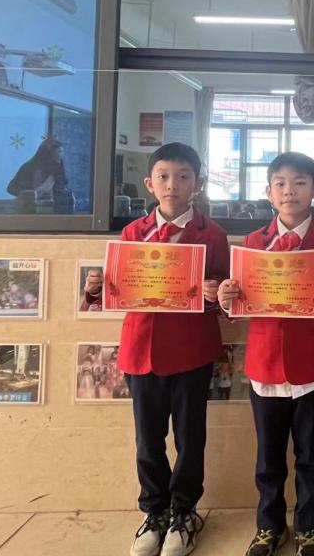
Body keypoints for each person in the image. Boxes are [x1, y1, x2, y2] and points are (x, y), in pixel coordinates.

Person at [84, 143, 228, 556]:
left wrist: (216, 293)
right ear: (149, 183)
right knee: (148, 441)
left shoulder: (213, 235)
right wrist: (96, 289)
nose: (172, 185)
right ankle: (155, 511)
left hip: (191, 353)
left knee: (190, 439)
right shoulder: (133, 233)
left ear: (198, 183)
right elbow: (120, 291)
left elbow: (227, 298)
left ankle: (185, 511)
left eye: (183, 176)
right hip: (141, 351)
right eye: (164, 176)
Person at [218, 152, 314, 556]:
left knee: (310, 455)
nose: (289, 191)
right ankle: (269, 526)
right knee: (268, 457)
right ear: (268, 191)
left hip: (312, 364)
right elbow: (239, 305)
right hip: (265, 364)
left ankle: (309, 527)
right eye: (280, 183)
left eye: (300, 182)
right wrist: (226, 298)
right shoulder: (253, 244)